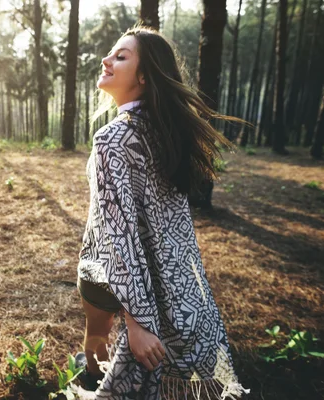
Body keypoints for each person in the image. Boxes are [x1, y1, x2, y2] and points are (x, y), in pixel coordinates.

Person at [76, 26, 249, 399]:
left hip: (139, 300)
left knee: (130, 381)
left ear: (143, 76)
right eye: (111, 52)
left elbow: (120, 238)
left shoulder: (112, 139)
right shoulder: (166, 132)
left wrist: (137, 322)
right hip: (185, 295)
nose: (106, 59)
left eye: (121, 56)